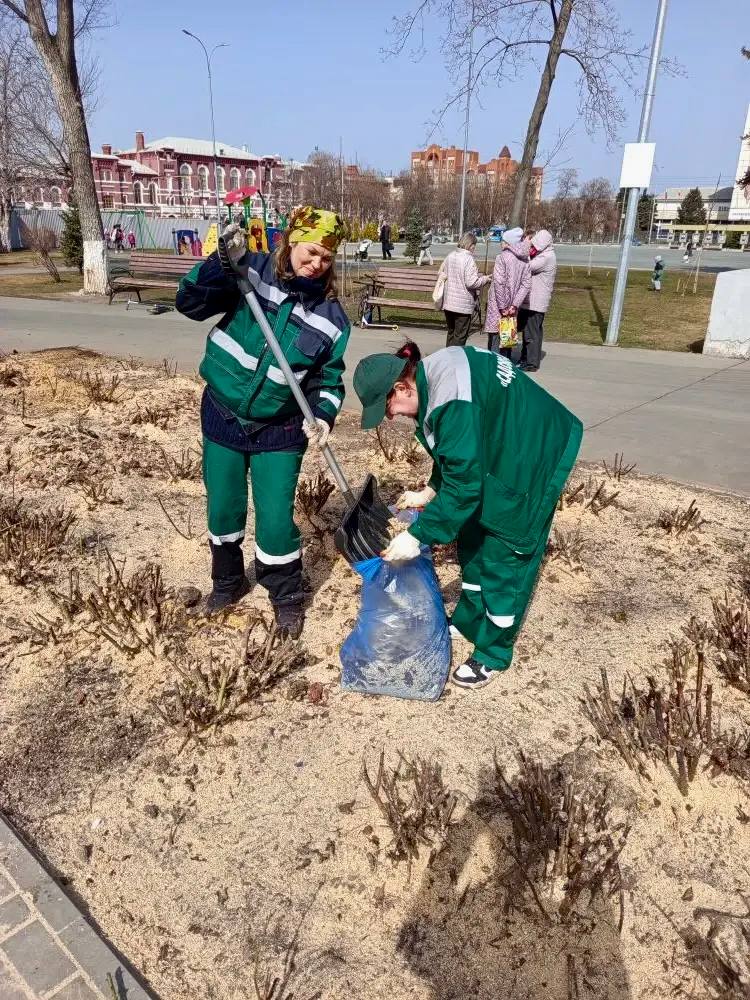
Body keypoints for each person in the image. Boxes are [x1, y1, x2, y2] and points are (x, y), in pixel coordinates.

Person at [352, 341, 582, 688]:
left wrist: (416, 536)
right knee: (472, 535)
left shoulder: (451, 401)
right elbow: (458, 453)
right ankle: (471, 620)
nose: (391, 417)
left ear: (401, 387)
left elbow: (464, 481)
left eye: (388, 408)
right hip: (503, 444)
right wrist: (431, 489)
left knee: (505, 556)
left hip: (530, 457)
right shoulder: (434, 375)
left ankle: (493, 652)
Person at [175, 206, 349, 636]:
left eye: (326, 259)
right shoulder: (249, 272)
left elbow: (329, 378)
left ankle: (285, 594)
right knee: (224, 506)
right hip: (223, 412)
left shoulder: (332, 319)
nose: (316, 264)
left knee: (274, 517)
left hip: (281, 429)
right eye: (310, 253)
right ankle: (228, 582)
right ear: (290, 243)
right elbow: (189, 303)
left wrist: (324, 415)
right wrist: (218, 265)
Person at [437, 232, 491, 348]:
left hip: (449, 303)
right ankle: (456, 361)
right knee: (460, 336)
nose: (474, 249)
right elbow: (471, 282)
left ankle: (448, 359)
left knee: (451, 333)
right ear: (470, 245)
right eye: (474, 246)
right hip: (462, 306)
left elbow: (442, 273)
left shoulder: (451, 256)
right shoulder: (468, 259)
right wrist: (484, 279)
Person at [484, 226, 531, 358]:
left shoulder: (502, 258)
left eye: (503, 240)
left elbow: (499, 283)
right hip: (512, 307)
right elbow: (526, 285)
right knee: (507, 340)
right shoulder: (525, 260)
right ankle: (506, 370)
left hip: (499, 305)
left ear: (509, 243)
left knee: (495, 339)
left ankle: (494, 370)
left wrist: (503, 307)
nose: (501, 243)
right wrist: (514, 305)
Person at [517, 229, 557, 372]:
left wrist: (525, 250)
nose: (532, 248)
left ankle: (531, 362)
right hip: (533, 301)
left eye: (535, 245)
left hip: (536, 302)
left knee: (531, 333)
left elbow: (527, 267)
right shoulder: (545, 255)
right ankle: (526, 357)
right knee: (530, 331)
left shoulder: (546, 257)